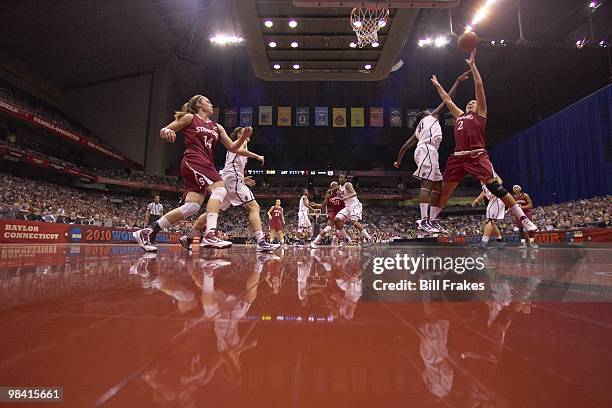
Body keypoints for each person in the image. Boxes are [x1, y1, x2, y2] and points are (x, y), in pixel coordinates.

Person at [429, 51, 538, 237]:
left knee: (495, 186)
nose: (471, 103)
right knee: (445, 191)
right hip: (458, 156)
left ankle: (524, 219)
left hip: (477, 154)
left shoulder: (480, 115)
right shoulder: (460, 116)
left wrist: (473, 65)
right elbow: (447, 100)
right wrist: (438, 85)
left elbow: (479, 85)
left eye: (474, 102)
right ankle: (429, 221)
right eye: (469, 103)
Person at [133, 95, 252, 252]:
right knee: (220, 190)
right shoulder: (190, 118)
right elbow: (164, 130)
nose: (211, 104)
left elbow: (232, 148)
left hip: (205, 163)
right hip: (194, 159)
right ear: (198, 104)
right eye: (208, 101)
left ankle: (146, 231)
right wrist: (167, 131)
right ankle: (210, 233)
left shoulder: (217, 127)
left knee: (192, 207)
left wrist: (243, 136)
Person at [179, 127, 279, 252]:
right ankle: (261, 242)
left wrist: (242, 179)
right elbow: (240, 152)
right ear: (238, 135)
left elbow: (235, 163)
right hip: (232, 179)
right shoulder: (242, 142)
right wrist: (257, 156)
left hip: (228, 179)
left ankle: (188, 237)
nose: (247, 134)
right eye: (243, 132)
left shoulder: (235, 145)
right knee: (254, 207)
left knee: (214, 211)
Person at [394, 70, 470, 234]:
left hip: (427, 151)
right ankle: (423, 220)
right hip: (427, 149)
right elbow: (447, 99)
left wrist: (398, 160)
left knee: (438, 186)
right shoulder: (430, 117)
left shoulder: (418, 131)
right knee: (427, 184)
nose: (431, 110)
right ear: (424, 115)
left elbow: (404, 147)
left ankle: (433, 220)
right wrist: (457, 81)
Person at [333, 174, 372, 246]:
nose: (340, 179)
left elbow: (354, 193)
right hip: (348, 207)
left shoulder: (347, 184)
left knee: (354, 221)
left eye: (342, 177)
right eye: (339, 177)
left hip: (355, 205)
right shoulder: (340, 188)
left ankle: (369, 239)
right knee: (336, 220)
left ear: (345, 179)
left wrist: (345, 198)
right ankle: (347, 239)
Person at [472, 171, 506, 249]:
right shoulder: (481, 176)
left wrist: (495, 190)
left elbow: (500, 181)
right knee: (491, 222)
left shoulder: (488, 169)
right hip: (492, 200)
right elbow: (485, 191)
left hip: (496, 198)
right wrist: (477, 200)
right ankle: (499, 241)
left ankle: (483, 243)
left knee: (490, 221)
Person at [310, 181, 344, 247]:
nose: (335, 187)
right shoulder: (328, 195)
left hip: (341, 213)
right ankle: (314, 242)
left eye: (336, 185)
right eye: (333, 186)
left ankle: (336, 242)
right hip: (332, 212)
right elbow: (323, 206)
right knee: (328, 228)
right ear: (331, 187)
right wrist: (315, 205)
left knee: (339, 231)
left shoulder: (341, 193)